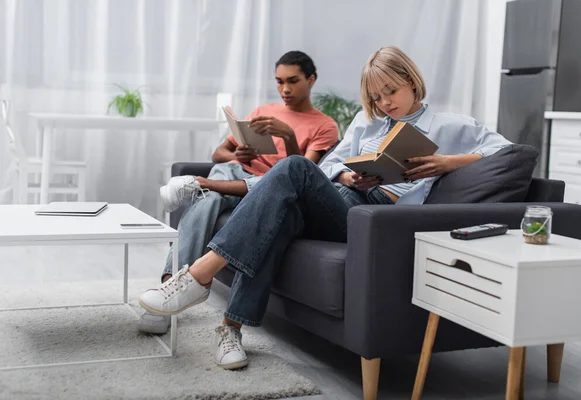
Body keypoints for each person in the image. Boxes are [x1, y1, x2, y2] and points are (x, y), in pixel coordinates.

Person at [138, 46, 511, 370]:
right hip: (344, 201)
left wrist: (449, 163)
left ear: (411, 81)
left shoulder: (450, 125)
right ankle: (230, 330)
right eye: (377, 97)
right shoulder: (368, 123)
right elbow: (332, 165)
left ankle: (198, 275)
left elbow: (506, 150)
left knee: (295, 166)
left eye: (391, 92)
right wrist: (348, 177)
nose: (385, 103)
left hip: (377, 217)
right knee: (282, 211)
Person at [137, 50, 338, 335]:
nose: (285, 89)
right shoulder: (261, 111)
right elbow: (218, 153)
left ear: (311, 80)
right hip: (237, 174)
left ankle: (198, 187)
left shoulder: (324, 125)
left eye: (293, 81)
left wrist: (288, 135)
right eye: (279, 82)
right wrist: (239, 156)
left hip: (268, 187)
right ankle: (171, 285)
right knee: (208, 199)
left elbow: (305, 172)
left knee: (210, 193)